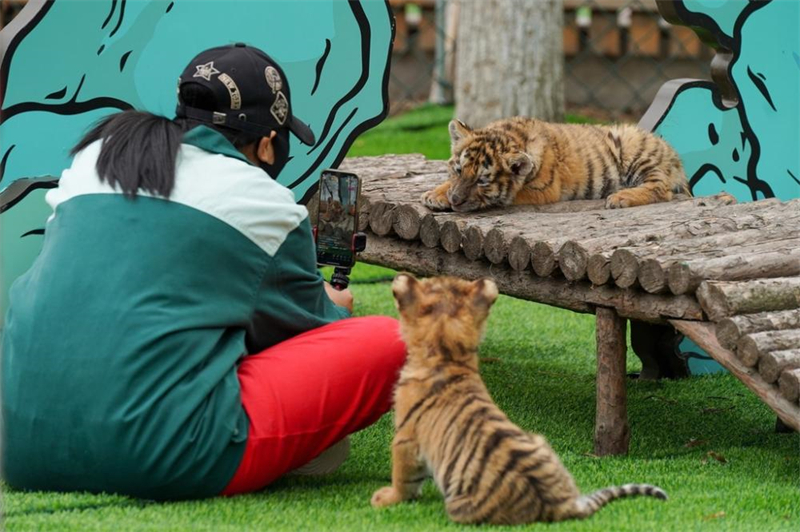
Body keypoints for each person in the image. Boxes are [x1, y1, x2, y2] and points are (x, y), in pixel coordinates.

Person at [1, 43, 406, 500]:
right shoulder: (263, 199)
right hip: (157, 456)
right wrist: (335, 311)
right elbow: (303, 334)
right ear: (269, 144)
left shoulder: (95, 156)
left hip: (20, 446)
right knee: (392, 340)